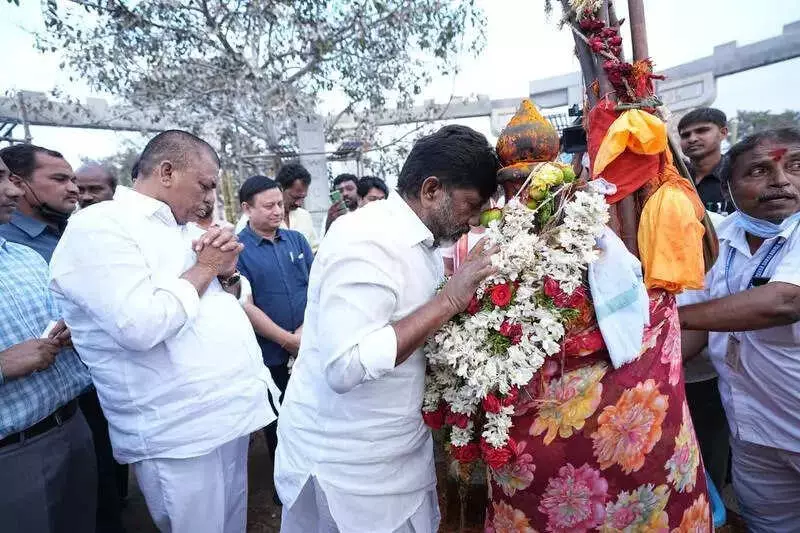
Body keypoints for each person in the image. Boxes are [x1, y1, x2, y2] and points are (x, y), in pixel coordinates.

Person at [50, 130, 279, 533]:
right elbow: (141, 325)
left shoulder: (186, 230)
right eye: (205, 184)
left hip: (227, 416)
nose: (210, 197)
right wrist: (207, 267)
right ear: (168, 172)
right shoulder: (100, 227)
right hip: (178, 434)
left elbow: (230, 299)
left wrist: (226, 274)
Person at [274, 125, 500, 533]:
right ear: (432, 190)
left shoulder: (420, 240)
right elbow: (346, 366)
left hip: (393, 453)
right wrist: (449, 301)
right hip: (350, 467)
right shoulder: (368, 238)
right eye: (470, 206)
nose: (472, 221)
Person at [0, 143, 127, 532]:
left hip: (73, 425)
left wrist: (74, 327)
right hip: (15, 452)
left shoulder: (23, 258)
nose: (13, 191)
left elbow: (63, 316)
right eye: (1, 180)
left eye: (10, 178)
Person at [679, 128, 800, 532]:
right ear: (728, 187)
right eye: (760, 171)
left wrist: (670, 317)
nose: (781, 180)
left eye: (795, 167)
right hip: (752, 430)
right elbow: (692, 336)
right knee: (769, 525)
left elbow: (783, 302)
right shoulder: (715, 238)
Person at [237, 175, 313, 505]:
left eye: (279, 204)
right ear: (246, 208)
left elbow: (317, 289)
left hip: (308, 345)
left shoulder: (297, 241)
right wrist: (286, 340)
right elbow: (244, 305)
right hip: (270, 354)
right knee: (279, 424)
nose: (277, 211)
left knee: (312, 413)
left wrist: (305, 334)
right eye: (268, 206)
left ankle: (314, 479)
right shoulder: (237, 250)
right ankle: (287, 489)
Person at [0, 144, 78, 262]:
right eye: (59, 179)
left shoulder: (80, 233)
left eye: (73, 181)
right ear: (17, 184)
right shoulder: (5, 241)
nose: (74, 189)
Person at [679, 107, 730, 214]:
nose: (692, 139)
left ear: (723, 133)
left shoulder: (736, 176)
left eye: (702, 131)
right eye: (685, 135)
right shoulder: (675, 177)